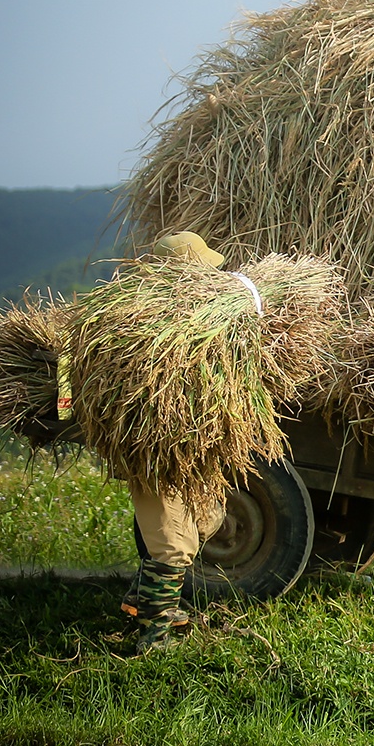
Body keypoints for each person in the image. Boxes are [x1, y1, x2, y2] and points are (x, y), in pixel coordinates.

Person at [117, 230, 228, 653]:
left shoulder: (196, 320)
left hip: (189, 446)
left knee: (209, 517)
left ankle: (138, 600)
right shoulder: (141, 324)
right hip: (153, 449)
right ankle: (154, 634)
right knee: (172, 544)